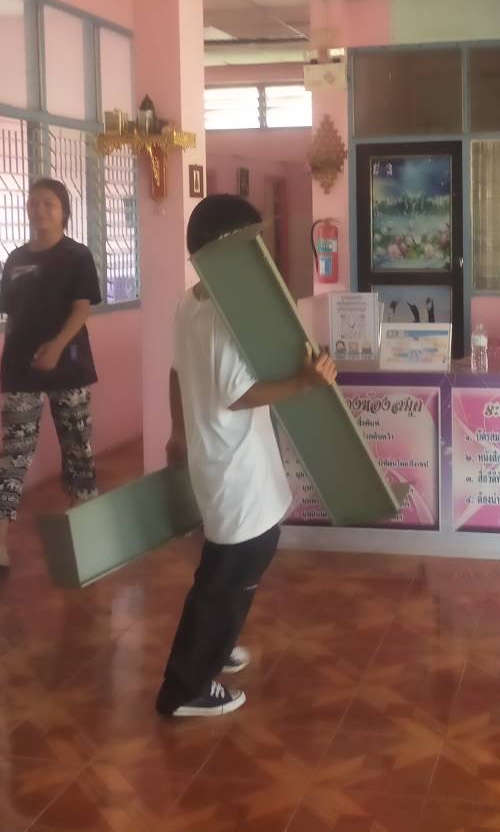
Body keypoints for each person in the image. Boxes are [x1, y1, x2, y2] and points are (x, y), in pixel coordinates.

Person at [156, 195, 337, 718]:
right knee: (230, 572)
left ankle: (217, 643)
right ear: (223, 252)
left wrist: (177, 433)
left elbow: (176, 373)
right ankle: (186, 687)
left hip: (219, 461)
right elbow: (238, 395)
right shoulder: (223, 319)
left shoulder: (190, 303)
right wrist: (304, 384)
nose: (260, 254)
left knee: (226, 565)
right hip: (235, 469)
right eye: (250, 244)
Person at [0, 179, 102, 569]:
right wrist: (13, 362)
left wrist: (57, 346)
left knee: (77, 447)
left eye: (49, 203)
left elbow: (82, 308)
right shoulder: (15, 259)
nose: (40, 210)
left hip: (69, 365)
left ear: (64, 211)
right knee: (13, 453)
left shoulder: (77, 256)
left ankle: (84, 528)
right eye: (34, 203)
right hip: (20, 371)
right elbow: (12, 316)